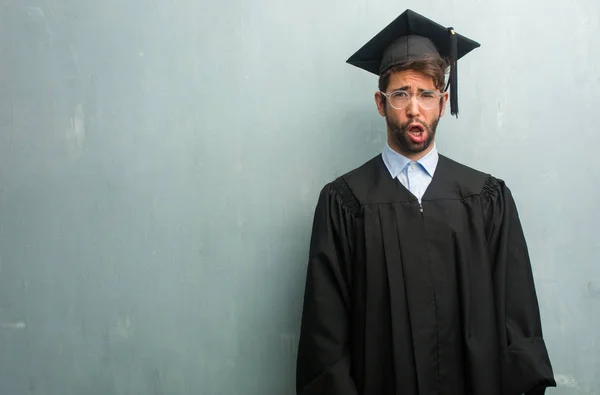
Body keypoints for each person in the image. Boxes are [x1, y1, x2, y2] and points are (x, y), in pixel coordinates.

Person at [295, 9, 556, 395]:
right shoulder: (345, 203)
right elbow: (326, 334)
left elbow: (517, 319)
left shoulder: (487, 199)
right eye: (400, 93)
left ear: (442, 101)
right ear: (381, 103)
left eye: (426, 94)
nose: (414, 108)